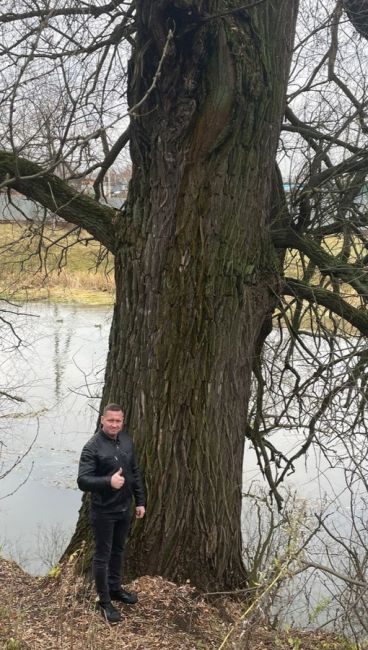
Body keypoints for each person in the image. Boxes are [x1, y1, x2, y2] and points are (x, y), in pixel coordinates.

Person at [77, 403, 146, 623]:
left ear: (122, 421)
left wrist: (140, 501)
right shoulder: (92, 447)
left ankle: (115, 589)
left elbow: (134, 471)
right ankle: (104, 601)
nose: (115, 424)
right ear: (102, 420)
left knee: (119, 550)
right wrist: (109, 481)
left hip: (125, 508)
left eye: (118, 421)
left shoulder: (126, 440)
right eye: (111, 420)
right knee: (102, 555)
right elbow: (83, 480)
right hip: (104, 511)